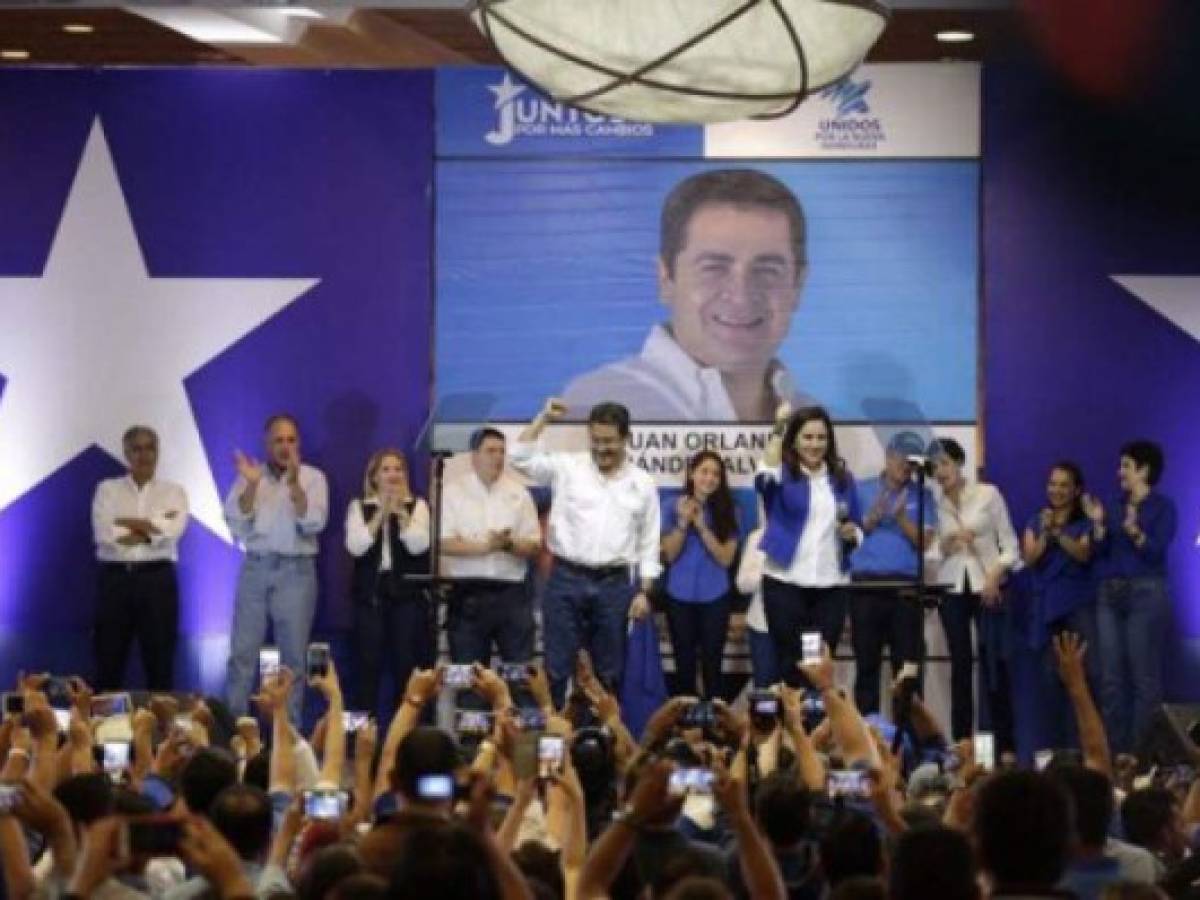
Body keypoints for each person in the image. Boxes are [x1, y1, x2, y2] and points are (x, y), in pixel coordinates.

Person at [562, 168, 815, 422]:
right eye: (714, 268)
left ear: (798, 286)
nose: (741, 296)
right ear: (666, 280)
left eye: (767, 270)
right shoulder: (595, 406)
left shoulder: (813, 417)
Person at [510, 398, 661, 705]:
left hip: (615, 585)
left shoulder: (642, 483)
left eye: (610, 441)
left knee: (610, 670)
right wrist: (544, 418)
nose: (602, 448)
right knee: (556, 666)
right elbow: (520, 458)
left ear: (625, 439)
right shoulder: (568, 468)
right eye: (596, 440)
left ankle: (603, 741)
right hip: (566, 578)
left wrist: (645, 592)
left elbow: (649, 542)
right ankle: (554, 743)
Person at [223, 414, 329, 721]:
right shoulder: (250, 476)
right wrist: (252, 486)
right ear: (267, 444)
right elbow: (238, 524)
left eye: (291, 440)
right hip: (256, 567)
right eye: (278, 440)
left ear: (299, 442)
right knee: (242, 653)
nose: (285, 446)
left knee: (293, 658)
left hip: (296, 571)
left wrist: (295, 486)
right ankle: (237, 733)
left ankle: (289, 734)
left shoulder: (314, 477)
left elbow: (314, 523)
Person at [755, 405, 861, 685]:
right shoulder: (781, 474)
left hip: (829, 588)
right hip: (785, 584)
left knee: (816, 666)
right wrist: (779, 426)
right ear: (794, 440)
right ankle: (792, 727)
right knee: (790, 663)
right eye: (807, 437)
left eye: (821, 438)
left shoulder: (842, 478)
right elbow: (764, 471)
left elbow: (858, 523)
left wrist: (853, 533)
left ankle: (813, 725)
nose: (815, 444)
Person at [1084, 440, 1178, 753]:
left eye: (1126, 466)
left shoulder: (1164, 507)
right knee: (1110, 681)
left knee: (1144, 681)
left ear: (1144, 470)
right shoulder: (1111, 503)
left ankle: (1142, 758)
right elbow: (1098, 552)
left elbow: (1155, 551)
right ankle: (1116, 756)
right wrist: (1098, 526)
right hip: (1109, 596)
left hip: (1145, 594)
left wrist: (1135, 530)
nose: (1119, 472)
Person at [930, 436, 1018, 747]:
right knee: (960, 666)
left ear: (958, 462)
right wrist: (944, 545)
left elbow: (1011, 547)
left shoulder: (987, 494)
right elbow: (929, 554)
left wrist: (995, 573)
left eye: (945, 463)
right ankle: (962, 744)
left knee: (993, 664)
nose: (940, 472)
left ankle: (1003, 745)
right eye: (935, 466)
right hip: (952, 587)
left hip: (986, 587)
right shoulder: (935, 503)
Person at [90, 425, 189, 691]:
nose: (144, 455)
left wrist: (125, 528)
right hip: (115, 581)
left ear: (157, 453)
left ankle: (159, 731)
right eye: (137, 449)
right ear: (126, 453)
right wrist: (152, 527)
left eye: (150, 448)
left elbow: (172, 531)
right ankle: (103, 732)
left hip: (157, 581)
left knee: (160, 666)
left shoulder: (174, 492)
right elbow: (104, 534)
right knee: (108, 664)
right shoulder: (107, 490)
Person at [847, 431, 937, 714]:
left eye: (912, 460)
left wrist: (900, 518)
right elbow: (846, 535)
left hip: (906, 589)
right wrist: (871, 518)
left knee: (908, 669)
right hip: (865, 588)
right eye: (901, 458)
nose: (906, 466)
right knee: (866, 667)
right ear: (888, 456)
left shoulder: (923, 494)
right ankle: (868, 740)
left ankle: (908, 740)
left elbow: (924, 542)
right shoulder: (860, 489)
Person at [439, 427, 542, 670]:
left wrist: (508, 545)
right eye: (490, 451)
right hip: (467, 594)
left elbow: (534, 544)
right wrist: (485, 546)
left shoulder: (519, 493)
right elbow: (443, 543)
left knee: (519, 673)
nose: (497, 457)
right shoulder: (453, 492)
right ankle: (470, 709)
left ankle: (515, 708)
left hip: (512, 594)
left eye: (502, 451)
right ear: (474, 456)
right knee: (469, 674)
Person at [345, 447, 433, 719]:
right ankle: (361, 739)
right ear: (374, 477)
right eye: (386, 469)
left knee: (406, 668)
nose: (393, 474)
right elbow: (356, 546)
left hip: (406, 597)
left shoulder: (417, 505)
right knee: (366, 668)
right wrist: (380, 514)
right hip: (370, 597)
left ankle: (403, 737)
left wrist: (401, 515)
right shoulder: (359, 506)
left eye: (398, 469)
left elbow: (420, 546)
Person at [1022, 461, 1099, 747]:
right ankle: (1055, 752)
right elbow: (1029, 558)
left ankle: (1082, 748)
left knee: (1081, 681)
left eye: (1064, 485)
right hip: (1046, 610)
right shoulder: (1035, 521)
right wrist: (1045, 532)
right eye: (1052, 484)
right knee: (1049, 683)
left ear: (1076, 490)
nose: (1057, 490)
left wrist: (1058, 534)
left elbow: (1083, 554)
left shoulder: (1086, 523)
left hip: (1077, 607)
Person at [660, 450, 739, 699]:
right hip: (678, 595)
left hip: (715, 596)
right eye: (704, 471)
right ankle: (686, 726)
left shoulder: (730, 510)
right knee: (683, 664)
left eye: (716, 474)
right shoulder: (671, 506)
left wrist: (703, 527)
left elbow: (726, 558)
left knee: (712, 665)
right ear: (692, 474)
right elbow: (669, 556)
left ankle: (714, 725)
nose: (710, 478)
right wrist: (683, 523)